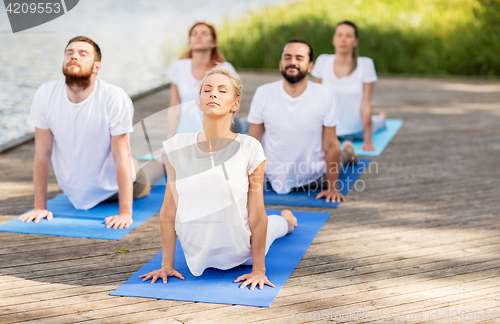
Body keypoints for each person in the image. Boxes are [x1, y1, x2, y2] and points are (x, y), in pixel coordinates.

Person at [139, 67, 297, 290]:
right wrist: (166, 264)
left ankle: (288, 220)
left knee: (274, 225)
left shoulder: (249, 147)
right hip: (196, 252)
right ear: (200, 102)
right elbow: (168, 211)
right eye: (207, 89)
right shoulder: (177, 146)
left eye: (222, 90)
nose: (213, 94)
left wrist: (259, 270)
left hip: (243, 250)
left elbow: (258, 215)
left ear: (235, 104)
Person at [19, 36, 153, 229]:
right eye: (69, 53)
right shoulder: (45, 94)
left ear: (96, 67)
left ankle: (161, 158)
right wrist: (40, 207)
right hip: (74, 191)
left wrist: (125, 213)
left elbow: (121, 156)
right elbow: (42, 153)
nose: (74, 57)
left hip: (115, 187)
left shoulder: (114, 97)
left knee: (150, 170)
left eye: (83, 54)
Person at [247, 39, 358, 203]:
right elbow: (253, 142)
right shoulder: (263, 93)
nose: (292, 62)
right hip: (273, 178)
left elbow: (331, 145)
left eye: (299, 58)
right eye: (287, 57)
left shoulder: (324, 95)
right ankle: (347, 151)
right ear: (280, 64)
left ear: (310, 66)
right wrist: (247, 186)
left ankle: (348, 152)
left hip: (316, 177)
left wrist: (333, 188)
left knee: (340, 158)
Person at [311, 21, 386, 152]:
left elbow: (366, 104)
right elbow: (316, 101)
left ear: (355, 41)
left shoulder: (366, 64)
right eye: (339, 35)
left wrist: (368, 141)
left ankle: (381, 118)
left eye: (348, 36)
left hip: (357, 132)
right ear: (333, 39)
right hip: (329, 131)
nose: (343, 39)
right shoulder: (322, 61)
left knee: (377, 123)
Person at [166, 22, 248, 140]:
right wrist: (170, 140)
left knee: (243, 126)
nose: (199, 36)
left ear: (213, 43)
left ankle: (246, 123)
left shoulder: (225, 68)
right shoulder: (178, 67)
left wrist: (222, 140)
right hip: (189, 126)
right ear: (190, 42)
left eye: (204, 34)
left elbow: (229, 107)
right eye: (194, 34)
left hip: (220, 124)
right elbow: (174, 107)